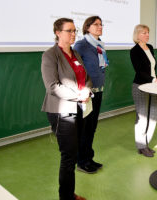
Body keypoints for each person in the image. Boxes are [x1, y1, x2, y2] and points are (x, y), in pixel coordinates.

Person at [41, 18, 92, 200]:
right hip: (61, 112)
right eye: (69, 31)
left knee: (73, 153)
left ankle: (69, 193)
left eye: (74, 31)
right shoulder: (50, 55)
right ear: (57, 32)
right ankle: (66, 197)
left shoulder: (75, 54)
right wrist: (79, 95)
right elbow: (52, 86)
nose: (73, 34)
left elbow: (85, 77)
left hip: (79, 108)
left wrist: (87, 89)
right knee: (68, 157)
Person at [73, 16, 108, 174]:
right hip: (86, 94)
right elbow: (75, 67)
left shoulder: (100, 45)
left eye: (101, 24)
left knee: (92, 127)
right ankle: (81, 161)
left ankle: (89, 158)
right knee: (84, 128)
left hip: (98, 91)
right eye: (96, 24)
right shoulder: (82, 44)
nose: (100, 27)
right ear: (87, 27)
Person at [130, 24, 157, 157]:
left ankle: (146, 143)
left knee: (154, 115)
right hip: (140, 86)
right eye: (144, 33)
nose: (147, 35)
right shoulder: (134, 51)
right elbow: (139, 71)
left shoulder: (149, 47)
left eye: (148, 32)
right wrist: (154, 79)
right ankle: (141, 146)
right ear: (138, 35)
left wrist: (155, 79)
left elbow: (152, 67)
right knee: (142, 117)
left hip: (153, 85)